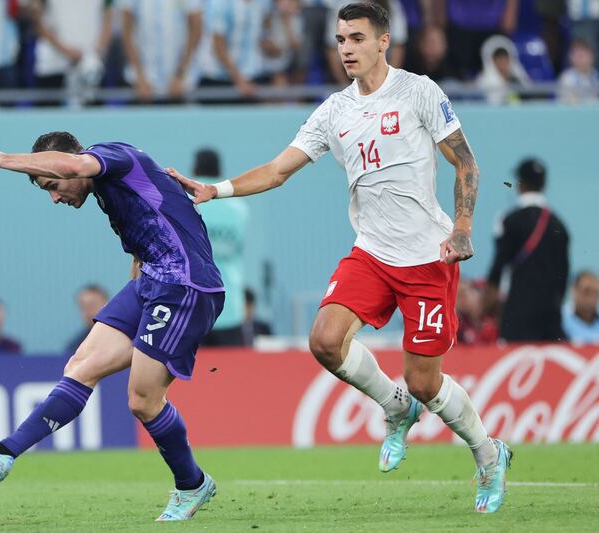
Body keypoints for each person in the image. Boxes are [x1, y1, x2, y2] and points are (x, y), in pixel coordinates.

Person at [168, 2, 511, 513]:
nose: (346, 48)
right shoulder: (334, 111)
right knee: (325, 340)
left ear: (383, 41)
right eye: (340, 40)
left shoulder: (418, 91)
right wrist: (214, 191)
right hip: (371, 253)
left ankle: (488, 453)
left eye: (355, 38)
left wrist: (462, 229)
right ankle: (395, 409)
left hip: (426, 258)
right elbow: (279, 169)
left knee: (424, 380)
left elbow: (466, 160)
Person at [0, 131, 225, 522]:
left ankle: (191, 484)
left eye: (53, 186)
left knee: (142, 401)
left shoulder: (112, 156)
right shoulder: (109, 192)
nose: (55, 197)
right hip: (150, 284)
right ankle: (2, 454)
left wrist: (1, 159)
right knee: (81, 366)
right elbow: (146, 241)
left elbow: (75, 166)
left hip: (185, 286)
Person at [484, 158, 570, 342]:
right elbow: (564, 276)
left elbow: (498, 267)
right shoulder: (559, 226)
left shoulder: (508, 220)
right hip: (551, 316)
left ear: (519, 183)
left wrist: (486, 307)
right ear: (544, 184)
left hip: (517, 315)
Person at [191, 148, 250, 347]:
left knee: (192, 374)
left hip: (193, 303)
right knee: (233, 374)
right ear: (219, 170)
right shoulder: (238, 208)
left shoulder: (187, 202)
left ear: (195, 168)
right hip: (230, 304)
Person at [120, 0, 203, 102]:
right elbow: (126, 32)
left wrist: (180, 74)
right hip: (144, 85)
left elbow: (196, 30)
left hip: (180, 84)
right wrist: (140, 77)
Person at [63, 284, 109, 357]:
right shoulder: (76, 346)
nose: (88, 311)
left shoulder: (125, 338)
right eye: (83, 307)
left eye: (92, 305)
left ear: (107, 304)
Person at [557, 38, 599, 104]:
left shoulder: (596, 76)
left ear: (591, 56)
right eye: (577, 55)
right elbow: (568, 101)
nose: (579, 59)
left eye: (582, 55)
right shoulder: (567, 78)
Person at [562, 270, 599, 344]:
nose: (592, 299)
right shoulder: (560, 320)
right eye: (586, 292)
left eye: (596, 293)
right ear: (574, 291)